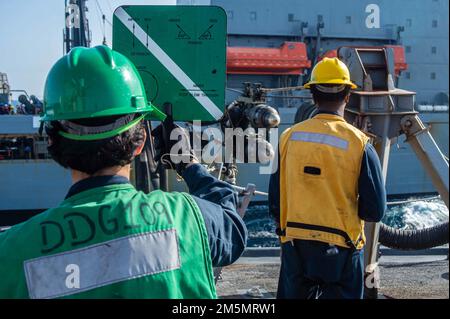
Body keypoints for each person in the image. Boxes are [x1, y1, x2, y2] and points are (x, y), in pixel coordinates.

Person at [0, 46, 247, 299]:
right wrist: (189, 165)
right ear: (140, 142)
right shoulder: (188, 218)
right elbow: (233, 230)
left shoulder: (10, 251)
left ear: (52, 144)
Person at [269, 57, 386, 299]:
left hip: (295, 246)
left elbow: (274, 202)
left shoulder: (288, 138)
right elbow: (375, 211)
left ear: (312, 95)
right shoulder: (360, 144)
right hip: (341, 250)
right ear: (347, 96)